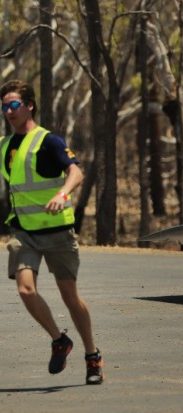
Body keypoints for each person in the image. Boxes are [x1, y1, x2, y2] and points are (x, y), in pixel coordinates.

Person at [0, 79, 103, 385]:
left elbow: (76, 171)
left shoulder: (49, 141)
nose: (8, 111)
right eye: (4, 106)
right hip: (24, 232)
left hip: (57, 232)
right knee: (25, 290)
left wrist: (62, 194)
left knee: (70, 297)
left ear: (29, 105)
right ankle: (59, 340)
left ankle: (92, 355)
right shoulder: (5, 146)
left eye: (14, 105)